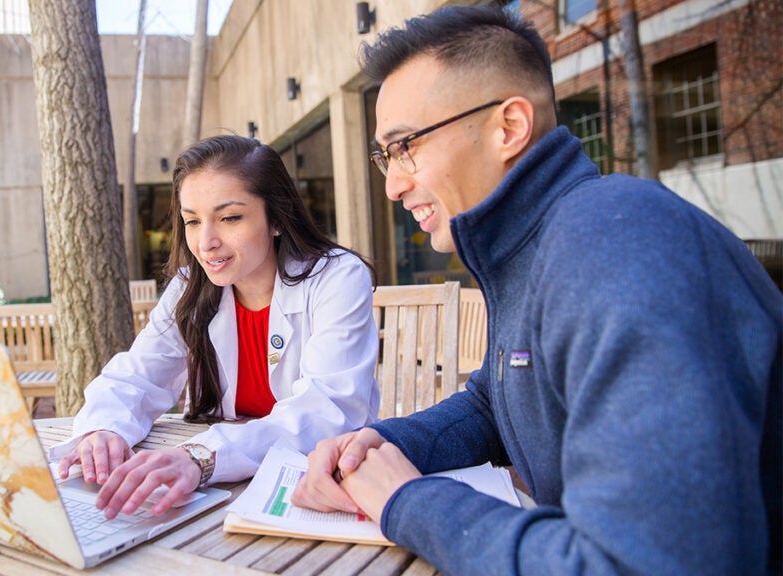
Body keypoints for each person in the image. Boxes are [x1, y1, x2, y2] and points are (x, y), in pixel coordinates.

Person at [292, 6, 782, 575]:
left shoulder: (613, 242)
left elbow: (643, 564)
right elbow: (500, 401)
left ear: (509, 127)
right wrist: (377, 443)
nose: (394, 185)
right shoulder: (532, 245)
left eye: (407, 146)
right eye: (385, 156)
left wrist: (408, 502)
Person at [51, 135, 381, 521]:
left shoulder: (336, 277)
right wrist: (104, 431)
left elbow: (329, 411)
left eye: (229, 218)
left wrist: (202, 456)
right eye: (192, 221)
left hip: (320, 482)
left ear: (276, 218)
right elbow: (138, 375)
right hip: (225, 487)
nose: (206, 242)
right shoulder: (189, 287)